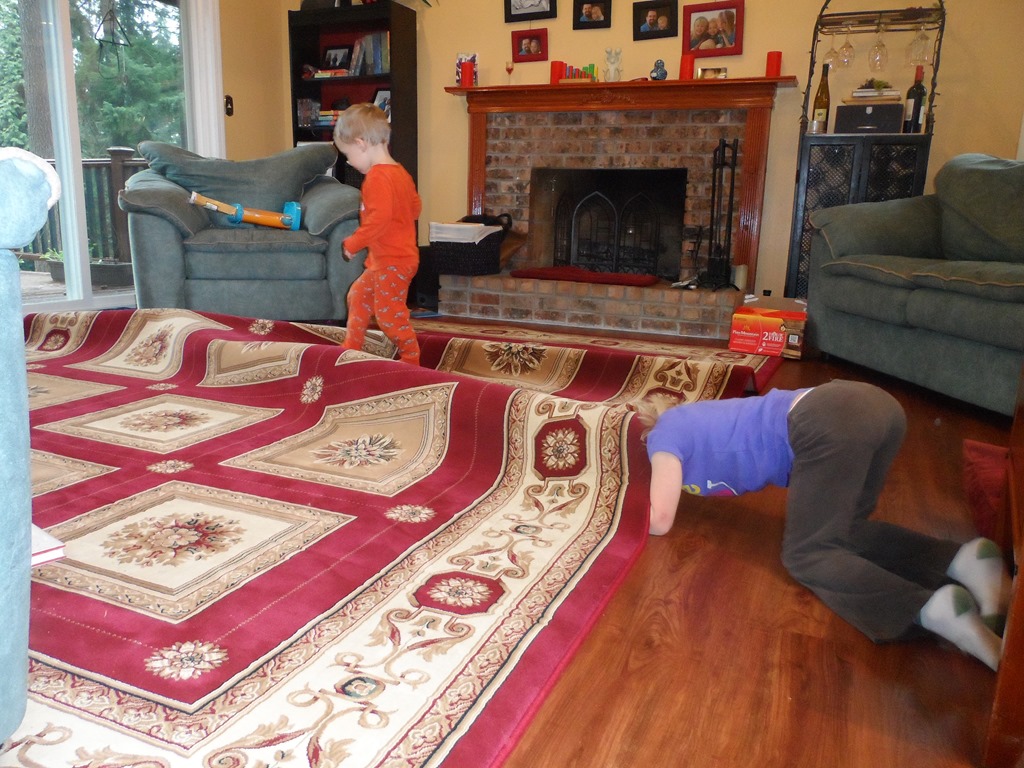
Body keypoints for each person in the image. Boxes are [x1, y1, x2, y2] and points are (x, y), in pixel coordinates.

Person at [639, 380, 1013, 671]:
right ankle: (965, 560)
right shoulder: (702, 421)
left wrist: (630, 514)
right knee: (845, 532)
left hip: (827, 418)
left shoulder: (665, 433)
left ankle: (928, 607)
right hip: (876, 408)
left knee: (807, 554)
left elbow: (660, 518)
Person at [333, 103, 422, 366]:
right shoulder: (400, 173)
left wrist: (353, 243)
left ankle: (411, 357)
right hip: (387, 260)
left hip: (393, 261)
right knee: (358, 295)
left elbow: (377, 222)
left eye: (348, 154)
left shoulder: (376, 178)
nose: (349, 162)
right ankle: (352, 346)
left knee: (389, 316)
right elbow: (415, 208)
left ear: (361, 144)